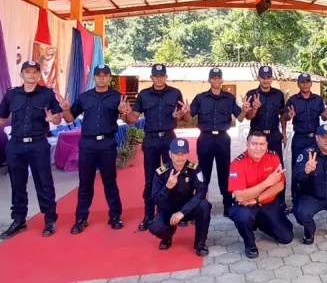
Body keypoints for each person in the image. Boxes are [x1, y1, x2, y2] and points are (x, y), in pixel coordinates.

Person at [0, 60, 62, 239]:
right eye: (27, 72)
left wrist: (52, 120)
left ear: (39, 75)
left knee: (44, 183)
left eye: (34, 72)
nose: (31, 75)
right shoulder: (11, 95)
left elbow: (57, 119)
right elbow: (0, 119)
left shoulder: (47, 94)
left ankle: (49, 219)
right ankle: (18, 220)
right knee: (17, 183)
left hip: (38, 143)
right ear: (21, 74)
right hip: (15, 145)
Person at [122, 64, 188, 231]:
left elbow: (185, 117)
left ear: (166, 76)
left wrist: (181, 114)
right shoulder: (144, 95)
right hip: (151, 139)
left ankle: (172, 213)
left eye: (161, 75)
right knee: (151, 179)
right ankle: (149, 215)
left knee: (173, 176)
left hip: (169, 139)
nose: (159, 78)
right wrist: (126, 113)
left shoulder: (175, 93)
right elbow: (132, 119)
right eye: (155, 76)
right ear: (151, 77)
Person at [60, 64, 124, 234]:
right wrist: (65, 109)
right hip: (87, 144)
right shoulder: (84, 97)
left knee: (110, 181)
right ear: (94, 78)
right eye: (98, 75)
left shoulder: (117, 97)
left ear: (110, 78)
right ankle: (81, 218)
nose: (101, 78)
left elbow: (128, 117)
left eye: (105, 75)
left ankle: (115, 216)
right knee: (85, 183)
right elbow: (69, 118)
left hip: (107, 144)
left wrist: (125, 112)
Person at [187, 67, 248, 217]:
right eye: (213, 78)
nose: (216, 80)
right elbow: (189, 117)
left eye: (218, 78)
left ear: (222, 80)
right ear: (209, 80)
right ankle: (200, 206)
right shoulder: (200, 98)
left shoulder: (229, 98)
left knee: (224, 173)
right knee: (203, 174)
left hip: (222, 139)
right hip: (205, 138)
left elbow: (240, 117)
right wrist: (184, 113)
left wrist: (245, 110)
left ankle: (227, 206)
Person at [228, 131, 294, 259]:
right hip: (246, 205)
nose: (258, 148)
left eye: (262, 144)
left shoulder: (273, 157)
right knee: (243, 216)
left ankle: (259, 222)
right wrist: (267, 183)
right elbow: (240, 197)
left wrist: (256, 199)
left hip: (266, 202)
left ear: (266, 145)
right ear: (247, 144)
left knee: (286, 237)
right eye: (254, 144)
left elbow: (279, 186)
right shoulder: (237, 164)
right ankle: (250, 244)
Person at [149, 138, 211, 256]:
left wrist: (182, 212)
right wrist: (167, 187)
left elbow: (201, 192)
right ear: (170, 154)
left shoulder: (194, 168)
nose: (180, 158)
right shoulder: (161, 172)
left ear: (187, 154)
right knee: (155, 228)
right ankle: (167, 237)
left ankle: (200, 244)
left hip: (187, 208)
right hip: (167, 209)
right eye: (176, 154)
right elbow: (155, 199)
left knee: (204, 206)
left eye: (183, 154)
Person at [244, 66, 287, 209]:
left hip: (274, 135)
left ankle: (280, 202)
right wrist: (254, 108)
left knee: (278, 167)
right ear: (258, 78)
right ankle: (255, 199)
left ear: (272, 78)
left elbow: (282, 115)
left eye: (268, 77)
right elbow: (248, 117)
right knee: (254, 168)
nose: (266, 80)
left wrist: (284, 134)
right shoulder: (251, 94)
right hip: (257, 135)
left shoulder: (278, 94)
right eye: (263, 77)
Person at [282, 72, 327, 203]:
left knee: (316, 166)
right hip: (300, 139)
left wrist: (326, 115)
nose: (305, 84)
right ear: (298, 84)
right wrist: (289, 116)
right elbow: (285, 117)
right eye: (302, 82)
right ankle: (296, 196)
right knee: (298, 166)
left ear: (311, 83)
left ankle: (314, 194)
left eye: (307, 81)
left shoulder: (318, 100)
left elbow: (323, 116)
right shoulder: (293, 100)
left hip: (315, 139)